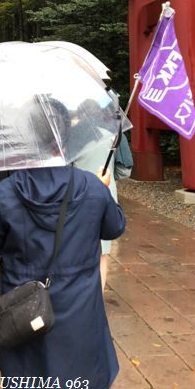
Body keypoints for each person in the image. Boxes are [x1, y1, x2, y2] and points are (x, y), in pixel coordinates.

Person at [0, 98, 126, 389]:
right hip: (80, 311)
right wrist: (102, 191)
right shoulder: (91, 187)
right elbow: (115, 227)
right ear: (67, 135)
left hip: (24, 311)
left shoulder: (6, 192)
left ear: (26, 138)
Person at [68, 99, 132, 291]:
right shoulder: (114, 135)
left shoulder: (72, 136)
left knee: (75, 249)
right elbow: (125, 170)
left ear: (80, 114)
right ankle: (98, 296)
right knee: (102, 253)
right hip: (105, 195)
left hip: (76, 198)